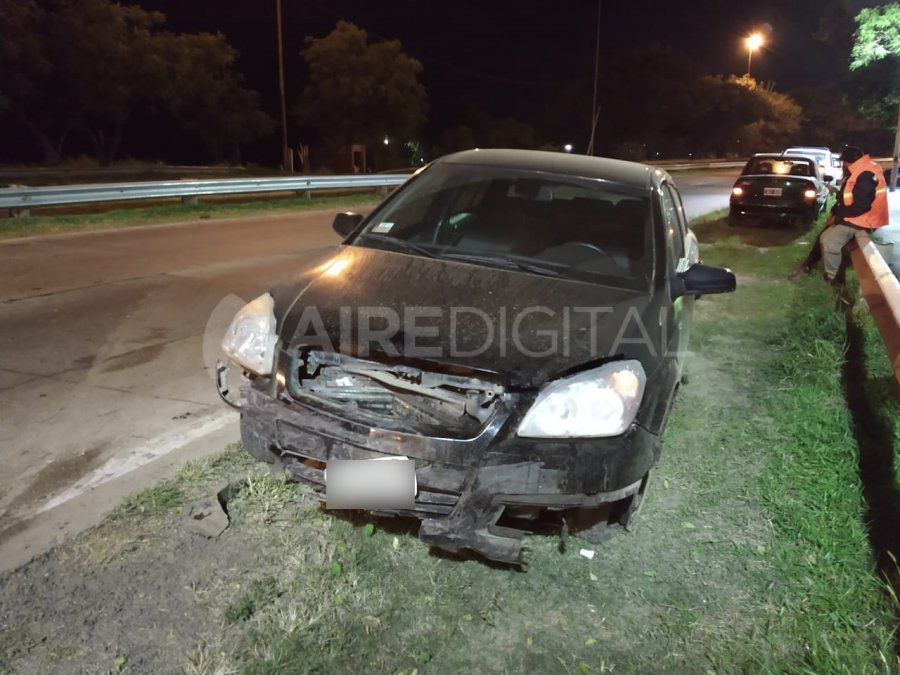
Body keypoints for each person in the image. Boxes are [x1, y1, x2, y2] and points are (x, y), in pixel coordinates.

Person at [790, 146, 889, 281]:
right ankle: (810, 268)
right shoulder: (863, 169)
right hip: (858, 216)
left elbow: (862, 206)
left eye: (844, 163)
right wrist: (836, 208)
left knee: (829, 240)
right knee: (824, 236)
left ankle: (833, 278)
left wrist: (839, 217)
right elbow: (852, 197)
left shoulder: (864, 174)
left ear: (847, 162)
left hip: (863, 219)